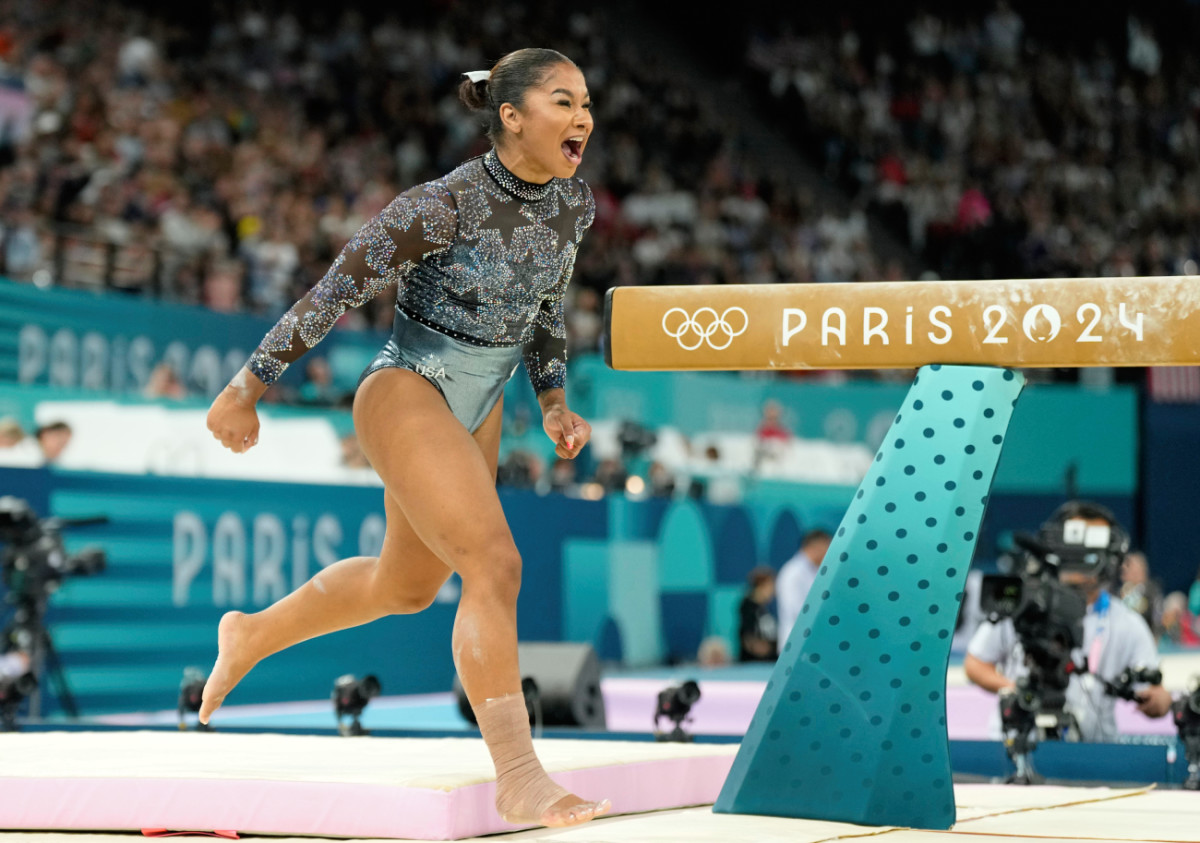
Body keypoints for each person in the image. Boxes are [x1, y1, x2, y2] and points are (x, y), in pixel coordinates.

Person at [201, 49, 608, 829]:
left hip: (482, 399)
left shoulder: (572, 206)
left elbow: (546, 308)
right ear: (511, 116)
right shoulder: (439, 206)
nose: (584, 118)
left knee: (406, 585)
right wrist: (246, 387)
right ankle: (518, 773)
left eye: (587, 102)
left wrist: (553, 400)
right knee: (495, 561)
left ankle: (251, 633)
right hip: (407, 388)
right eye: (564, 101)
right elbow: (334, 290)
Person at [964, 502, 1173, 742]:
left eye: (1091, 548)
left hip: (1092, 753)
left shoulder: (1127, 623)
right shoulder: (1024, 605)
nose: (1080, 555)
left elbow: (1156, 692)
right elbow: (975, 663)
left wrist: (1160, 701)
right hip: (1015, 742)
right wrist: (1013, 688)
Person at [775, 529, 833, 645]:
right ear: (817, 546)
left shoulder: (815, 570)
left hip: (811, 640)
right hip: (796, 643)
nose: (830, 552)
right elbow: (795, 609)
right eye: (828, 546)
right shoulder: (793, 572)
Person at [1117, 550, 1163, 636]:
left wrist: (1156, 636)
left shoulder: (1151, 591)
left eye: (1128, 569)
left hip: (1147, 636)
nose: (1124, 574)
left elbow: (1157, 617)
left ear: (1141, 571)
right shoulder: (1118, 593)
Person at [738, 566, 778, 662]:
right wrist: (767, 650)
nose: (774, 590)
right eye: (771, 586)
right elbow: (748, 638)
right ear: (761, 586)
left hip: (769, 660)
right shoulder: (748, 607)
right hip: (755, 663)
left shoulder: (767, 608)